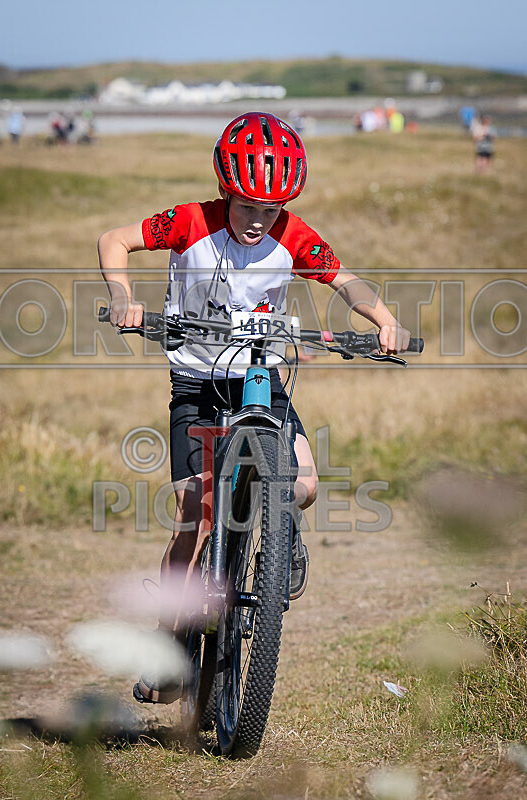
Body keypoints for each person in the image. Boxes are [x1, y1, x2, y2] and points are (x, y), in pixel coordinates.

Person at [98, 112, 410, 703]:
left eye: (270, 210)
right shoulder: (190, 222)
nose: (258, 221)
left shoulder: (291, 233)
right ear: (225, 192)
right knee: (196, 512)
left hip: (261, 381)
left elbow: (346, 282)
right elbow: (113, 239)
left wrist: (387, 321)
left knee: (306, 483)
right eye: (246, 207)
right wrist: (124, 295)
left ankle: (276, 544)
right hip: (196, 383)